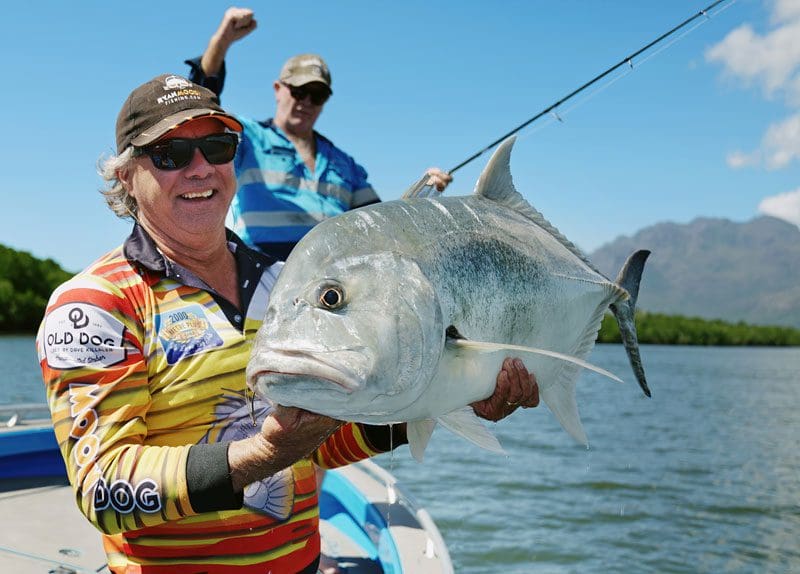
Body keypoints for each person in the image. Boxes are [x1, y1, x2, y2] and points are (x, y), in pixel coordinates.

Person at [36, 73, 538, 574]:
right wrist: (263, 452)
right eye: (170, 154)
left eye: (217, 146)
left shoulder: (285, 285)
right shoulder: (94, 305)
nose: (200, 169)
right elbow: (103, 490)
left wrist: (439, 399)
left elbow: (319, 449)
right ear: (125, 174)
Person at [185, 7, 453, 261]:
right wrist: (222, 41)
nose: (307, 102)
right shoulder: (249, 139)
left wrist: (424, 189)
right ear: (278, 89)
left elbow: (379, 222)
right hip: (259, 279)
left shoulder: (344, 164)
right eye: (299, 92)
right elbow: (198, 104)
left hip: (327, 284)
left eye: (318, 95)